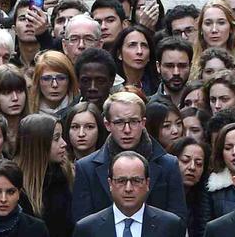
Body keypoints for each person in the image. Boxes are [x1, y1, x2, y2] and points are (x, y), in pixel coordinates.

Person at [71, 91, 189, 225]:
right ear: (107, 124)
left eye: (133, 121)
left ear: (143, 123)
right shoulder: (87, 168)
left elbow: (178, 221)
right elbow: (82, 225)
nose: (127, 130)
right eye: (119, 122)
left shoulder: (168, 164)